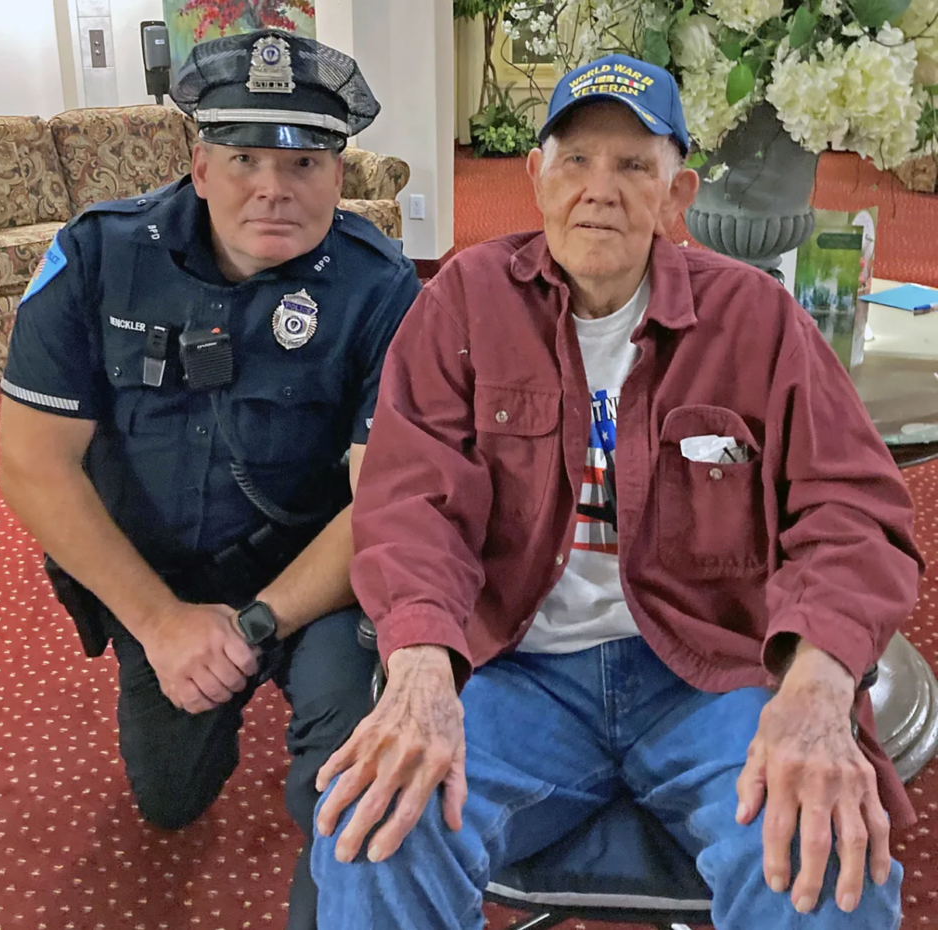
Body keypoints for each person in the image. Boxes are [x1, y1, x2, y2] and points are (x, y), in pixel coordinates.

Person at [310, 54, 925, 929]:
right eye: (576, 160)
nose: (600, 189)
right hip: (517, 671)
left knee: (824, 864)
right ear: (536, 178)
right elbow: (411, 507)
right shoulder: (464, 303)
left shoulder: (757, 320)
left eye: (635, 165)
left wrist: (820, 687)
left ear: (678, 197)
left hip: (713, 676)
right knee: (373, 836)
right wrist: (417, 669)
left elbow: (851, 513)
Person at [0, 29, 420, 930]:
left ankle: (343, 891)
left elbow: (385, 501)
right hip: (165, 581)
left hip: (319, 578)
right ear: (198, 165)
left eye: (305, 160)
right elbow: (33, 468)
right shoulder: (99, 257)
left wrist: (260, 623)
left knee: (348, 738)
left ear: (339, 176)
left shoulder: (382, 291)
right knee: (169, 799)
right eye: (243, 157)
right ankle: (195, 674)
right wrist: (161, 626)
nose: (273, 185)